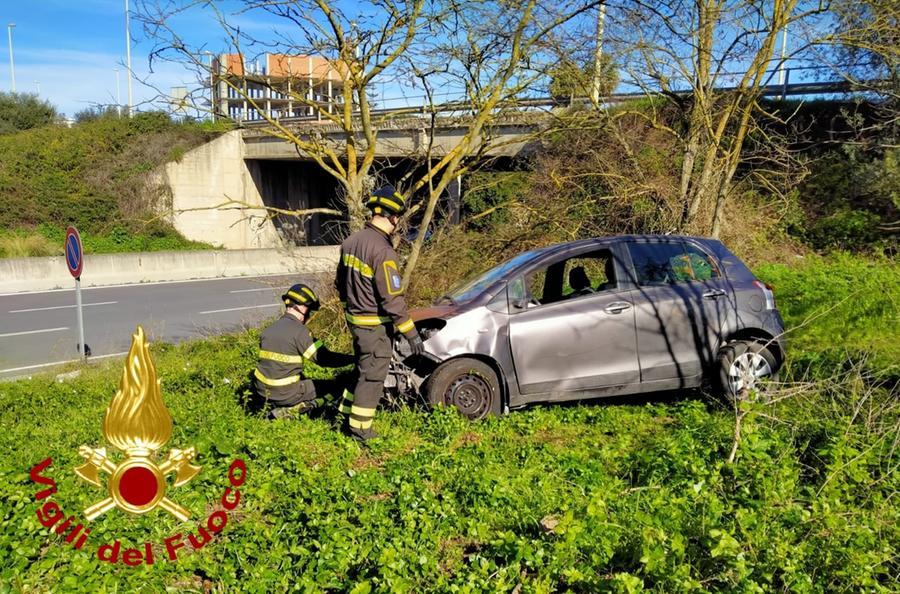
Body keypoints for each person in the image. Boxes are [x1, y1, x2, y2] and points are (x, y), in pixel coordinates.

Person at [335, 185, 424, 441]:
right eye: (398, 219)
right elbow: (392, 299)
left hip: (355, 322)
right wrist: (411, 335)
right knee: (373, 376)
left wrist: (348, 310)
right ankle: (360, 430)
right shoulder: (383, 251)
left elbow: (340, 284)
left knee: (362, 369)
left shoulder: (351, 242)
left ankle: (345, 412)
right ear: (393, 217)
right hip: (374, 327)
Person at [253, 283, 354, 419]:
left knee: (305, 380)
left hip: (261, 391)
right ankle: (294, 410)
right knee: (337, 384)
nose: (309, 316)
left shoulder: (269, 330)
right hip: (285, 393)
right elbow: (324, 359)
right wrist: (353, 359)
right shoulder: (300, 332)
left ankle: (278, 406)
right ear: (301, 307)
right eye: (310, 309)